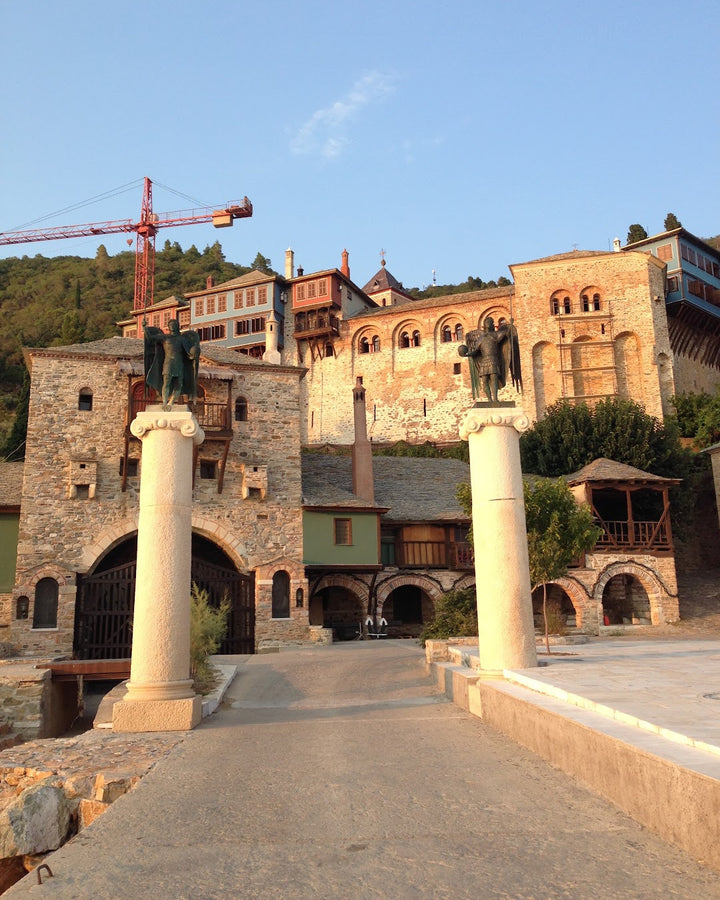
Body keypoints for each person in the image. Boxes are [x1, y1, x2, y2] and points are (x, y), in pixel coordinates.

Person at [458, 316, 522, 403]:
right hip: (484, 361)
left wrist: (510, 326)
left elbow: (506, 333)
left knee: (494, 380)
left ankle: (495, 399)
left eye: (489, 322)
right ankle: (489, 400)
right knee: (485, 382)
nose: (488, 323)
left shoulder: (496, 335)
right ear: (484, 325)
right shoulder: (480, 339)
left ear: (492, 324)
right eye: (486, 322)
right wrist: (467, 354)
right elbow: (476, 351)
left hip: (493, 360)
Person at [143, 318, 200, 409]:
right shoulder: (165, 337)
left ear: (178, 326)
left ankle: (171, 403)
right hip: (168, 363)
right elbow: (150, 339)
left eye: (174, 324)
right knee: (166, 383)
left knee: (179, 384)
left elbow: (189, 353)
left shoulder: (182, 339)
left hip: (179, 363)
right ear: (168, 327)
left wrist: (194, 354)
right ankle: (164, 402)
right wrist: (145, 327)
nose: (172, 326)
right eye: (171, 324)